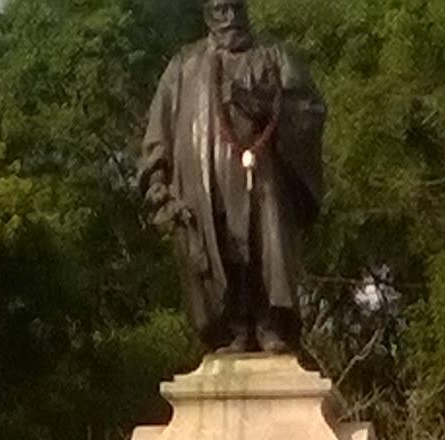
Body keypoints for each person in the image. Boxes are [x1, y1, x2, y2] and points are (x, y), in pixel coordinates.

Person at [139, 0, 326, 353]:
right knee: (221, 245)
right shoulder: (184, 65)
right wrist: (157, 177)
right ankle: (232, 327)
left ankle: (271, 323)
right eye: (220, 10)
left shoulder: (274, 56)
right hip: (205, 179)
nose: (229, 19)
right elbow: (158, 128)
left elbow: (309, 110)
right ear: (206, 13)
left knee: (263, 241)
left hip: (263, 177)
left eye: (235, 9)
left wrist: (266, 105)